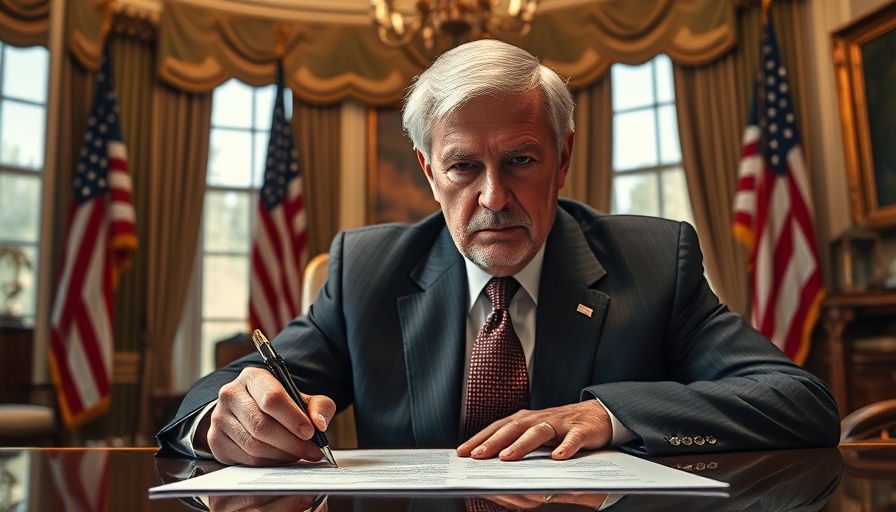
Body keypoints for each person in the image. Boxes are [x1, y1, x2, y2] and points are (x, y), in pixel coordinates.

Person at [157, 39, 840, 467]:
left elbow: (801, 403)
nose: (493, 197)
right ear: (428, 171)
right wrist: (227, 419)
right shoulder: (366, 271)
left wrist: (611, 414)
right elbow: (210, 400)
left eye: (521, 159)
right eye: (463, 169)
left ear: (563, 158)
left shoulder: (657, 261)